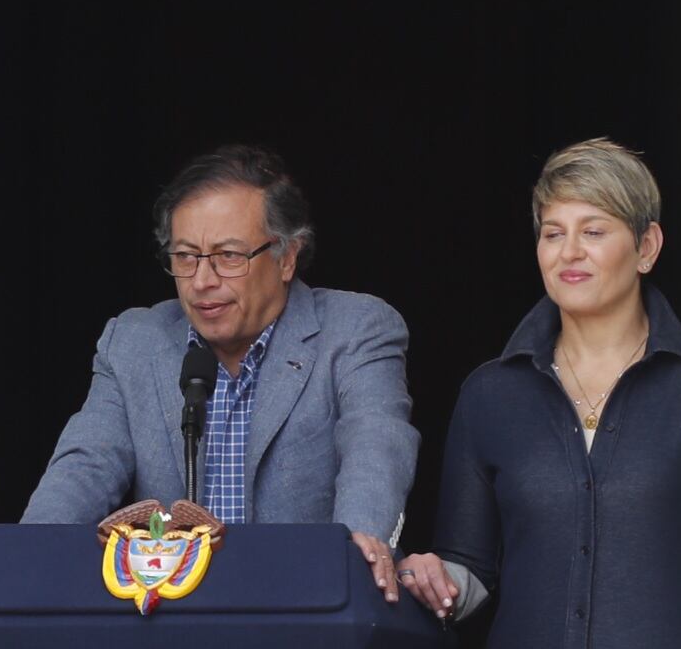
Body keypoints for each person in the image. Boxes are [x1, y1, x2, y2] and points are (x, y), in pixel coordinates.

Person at [397, 139, 681, 649]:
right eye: (553, 233)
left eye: (594, 231)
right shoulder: (491, 394)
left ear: (647, 247)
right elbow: (471, 571)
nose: (569, 252)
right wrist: (433, 580)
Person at [22, 145, 415, 601]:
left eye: (228, 256)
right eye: (185, 256)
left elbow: (376, 449)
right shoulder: (134, 342)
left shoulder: (355, 330)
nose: (202, 281)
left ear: (287, 257)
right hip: (178, 624)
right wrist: (26, 560)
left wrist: (355, 558)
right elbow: (84, 466)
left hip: (307, 608)